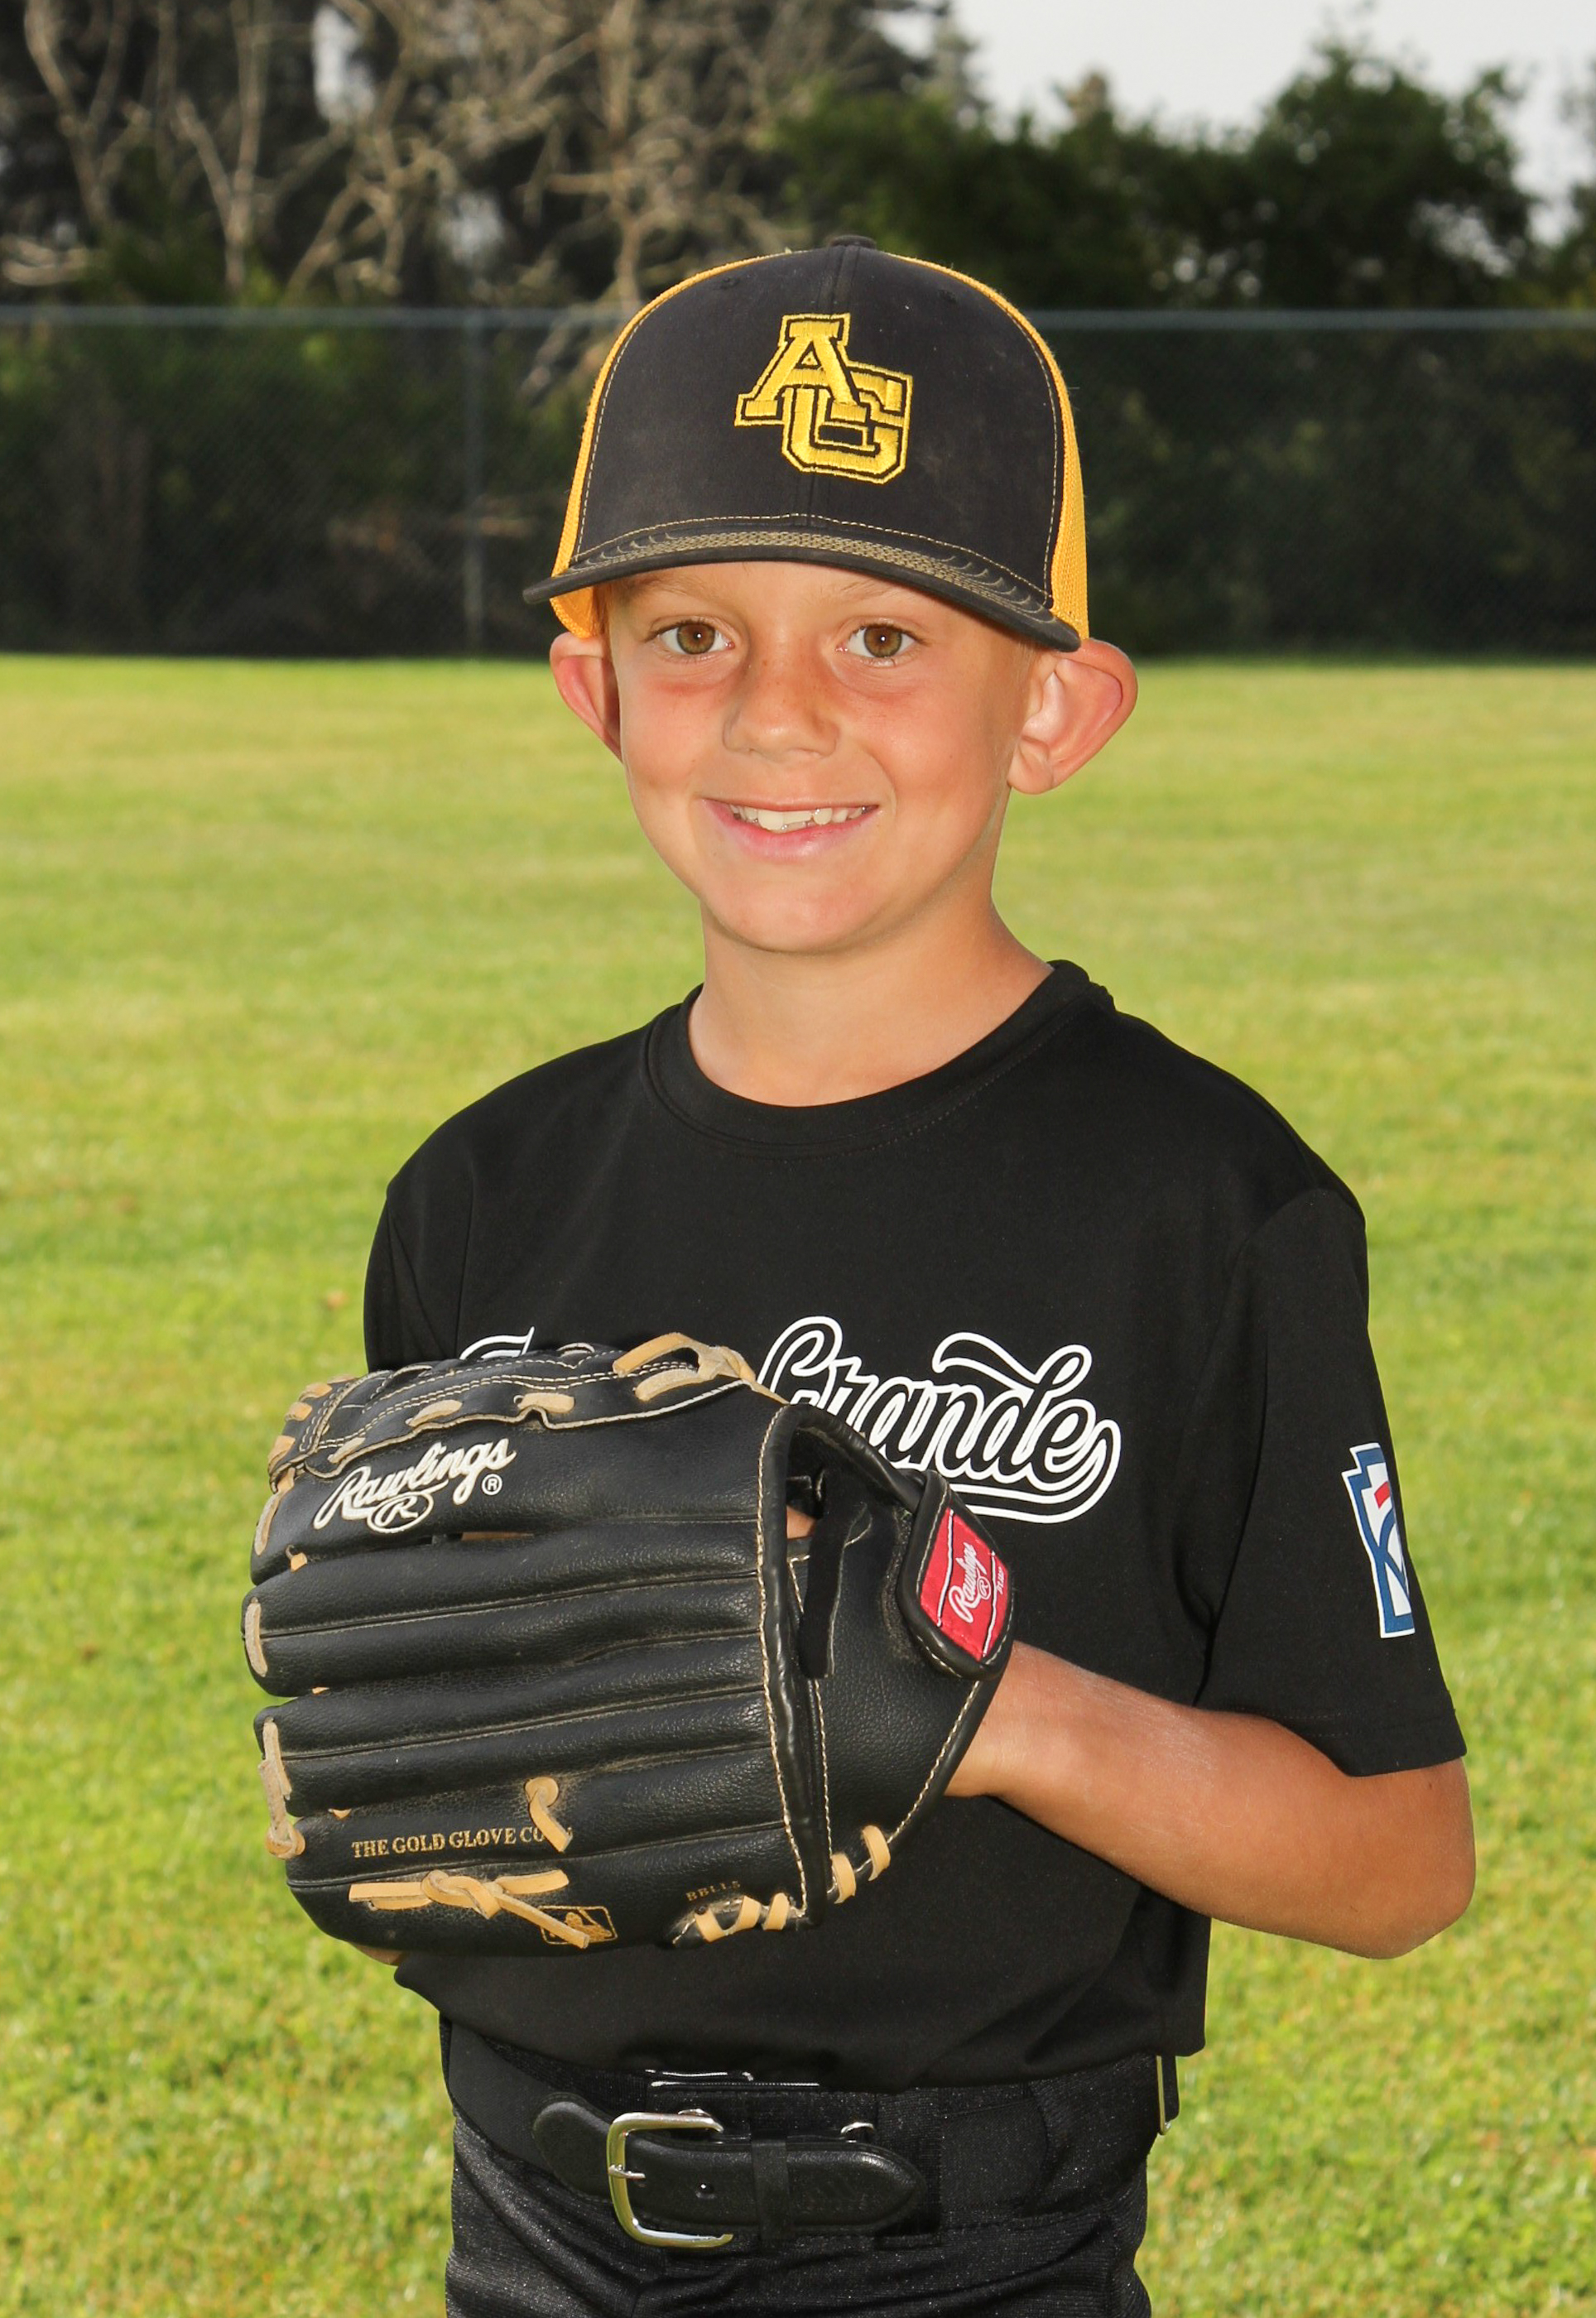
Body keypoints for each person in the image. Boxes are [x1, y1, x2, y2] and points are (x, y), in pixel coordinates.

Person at [360, 238, 1474, 2316]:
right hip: (532, 2223)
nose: (776, 711)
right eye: (692, 631)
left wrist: (985, 1704)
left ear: (1053, 706)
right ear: (596, 691)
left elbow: (1398, 1857)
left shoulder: (1202, 1203)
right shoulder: (480, 1197)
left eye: (883, 634)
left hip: (975, 2247)